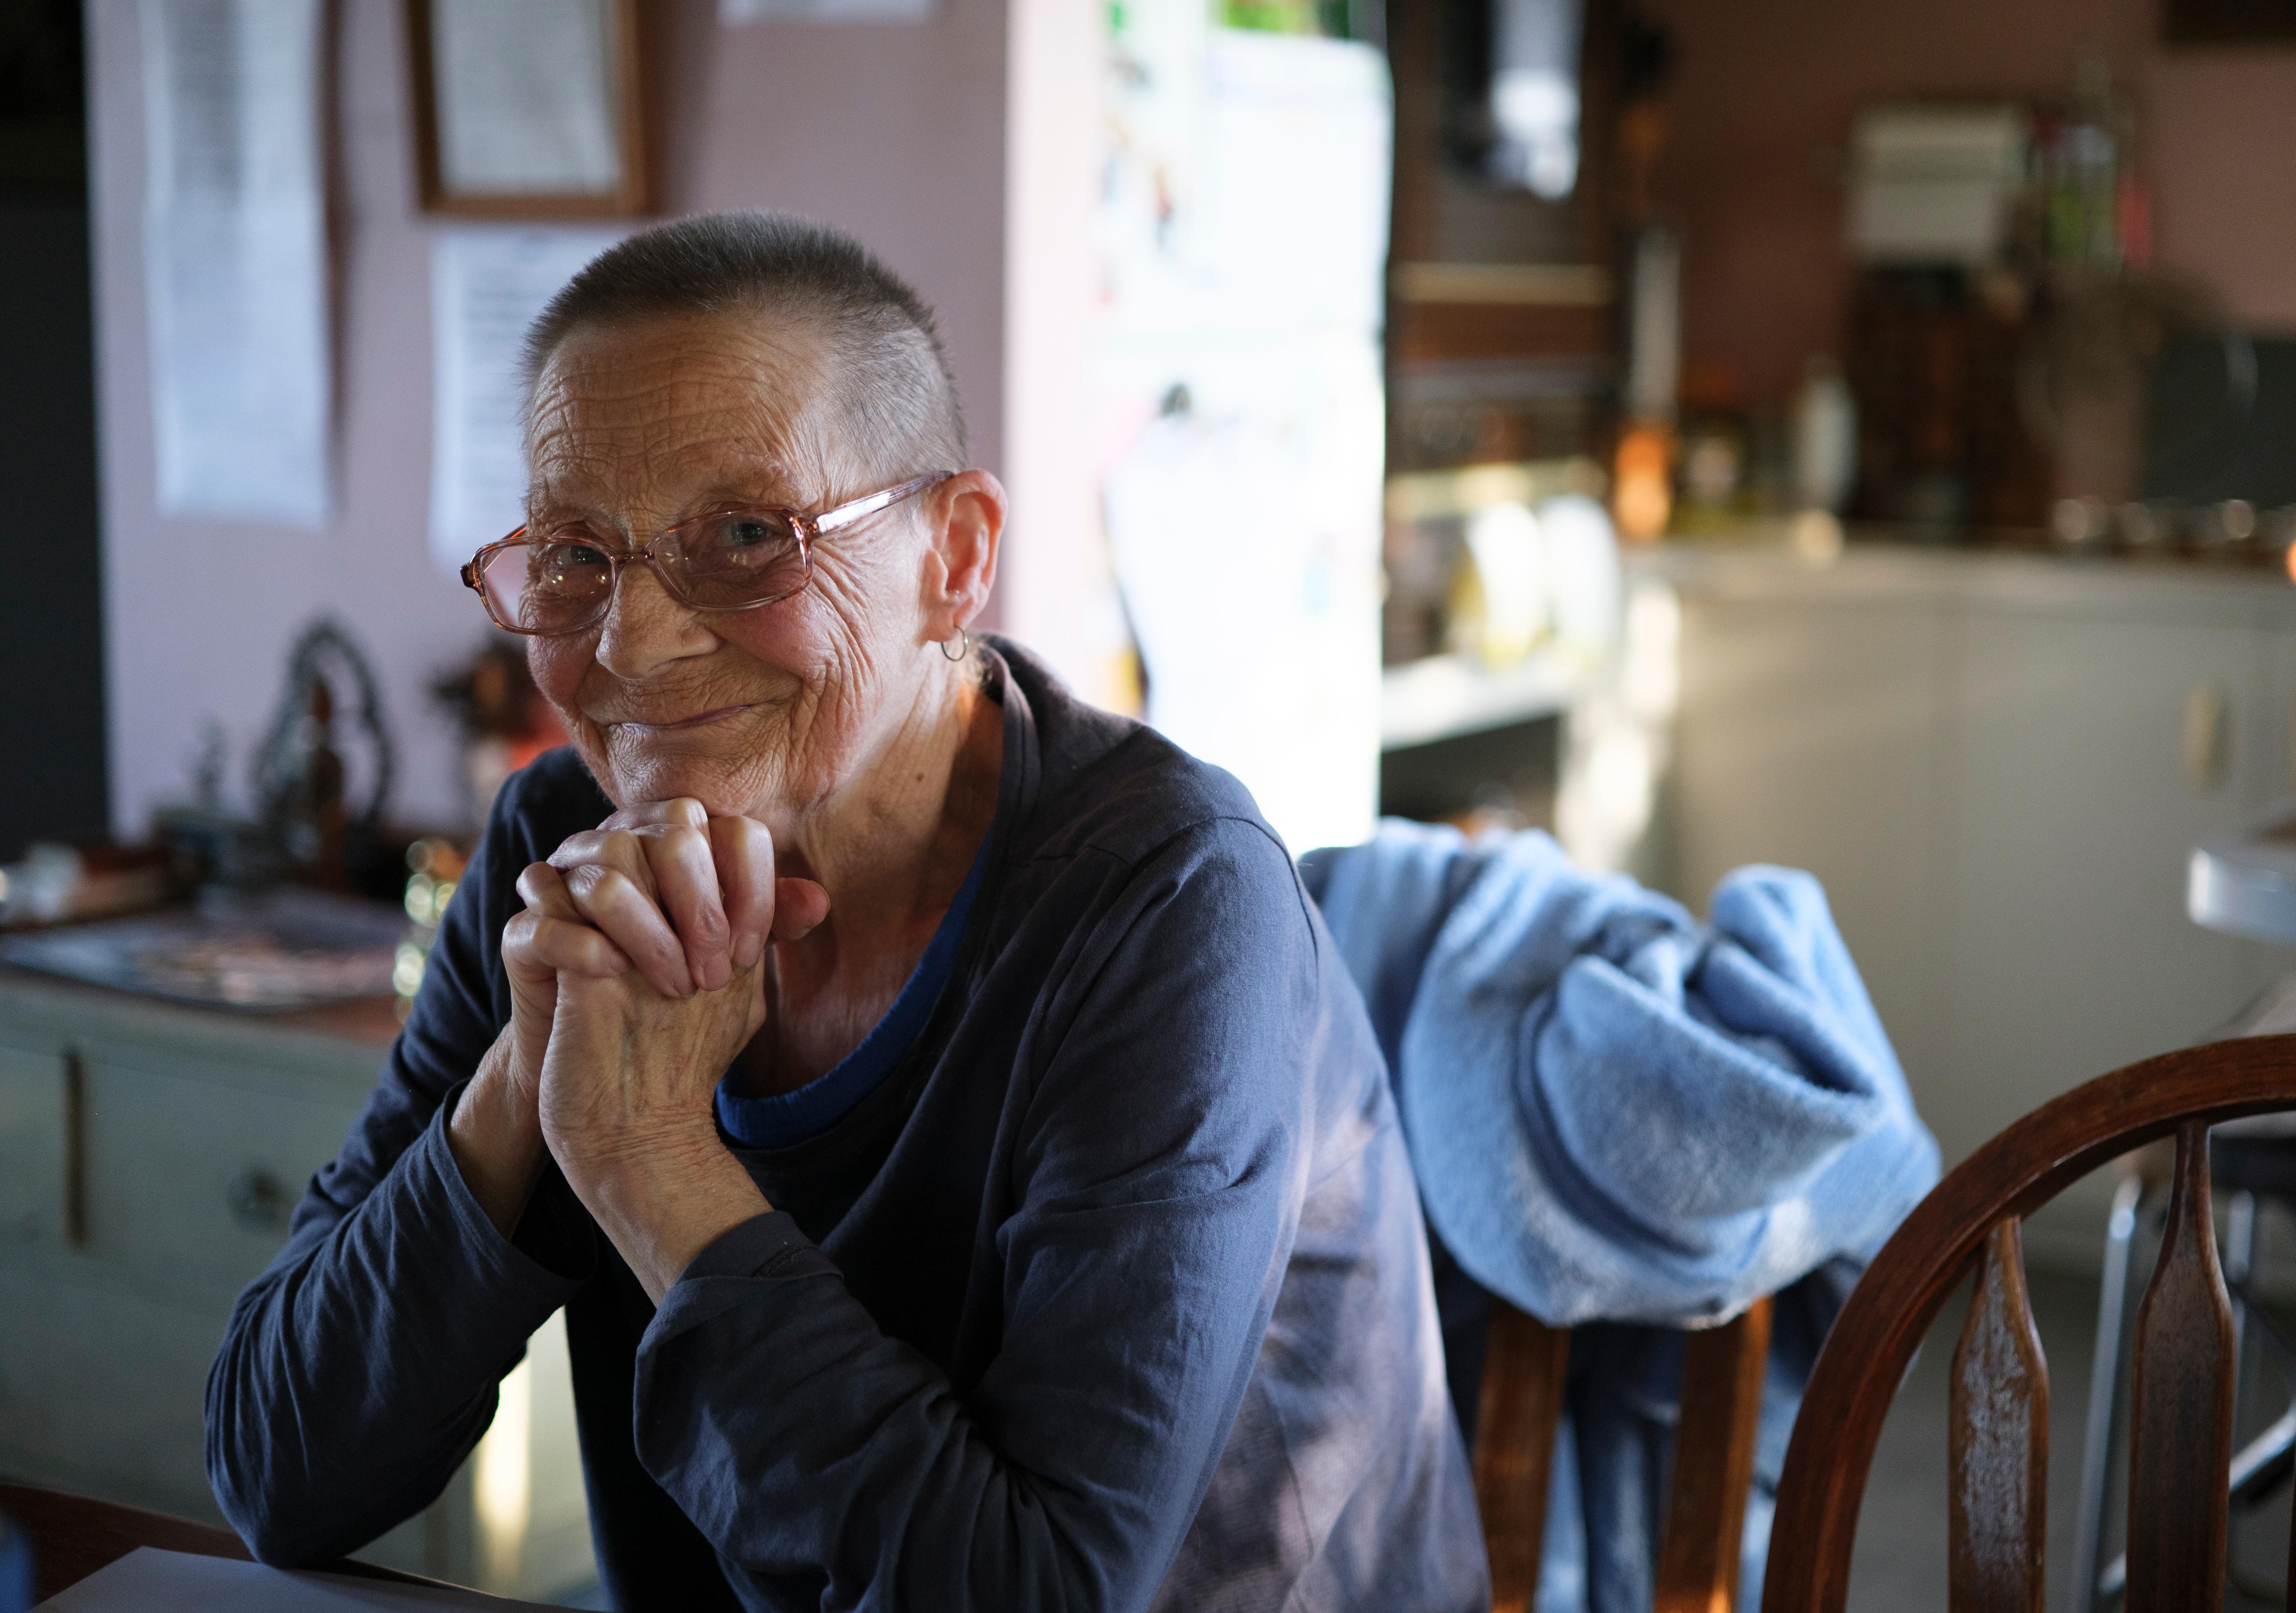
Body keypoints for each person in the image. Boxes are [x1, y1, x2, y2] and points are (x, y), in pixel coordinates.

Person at [206, 211, 1486, 1613]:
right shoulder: (564, 850)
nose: (631, 645)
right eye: (576, 553)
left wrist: (646, 1157)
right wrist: (532, 1078)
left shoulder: (1168, 900)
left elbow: (1038, 1594)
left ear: (954, 556)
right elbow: (277, 1473)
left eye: (749, 535)